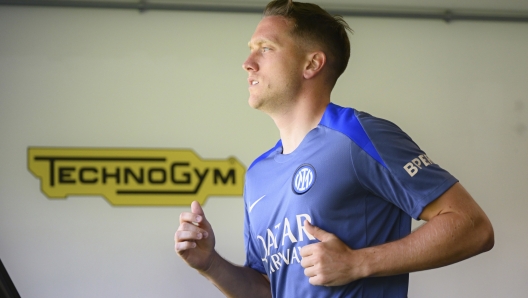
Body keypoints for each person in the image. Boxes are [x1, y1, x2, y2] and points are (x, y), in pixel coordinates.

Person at [174, 0, 494, 297]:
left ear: (312, 63)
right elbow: (267, 288)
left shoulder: (357, 135)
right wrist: (210, 263)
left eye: (266, 49)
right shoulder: (258, 174)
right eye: (250, 50)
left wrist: (358, 263)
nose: (247, 63)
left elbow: (472, 225)